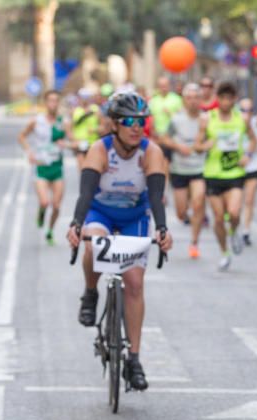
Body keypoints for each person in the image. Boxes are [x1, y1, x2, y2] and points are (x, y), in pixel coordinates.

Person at [66, 92, 173, 391]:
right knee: (93, 244)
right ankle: (90, 293)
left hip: (133, 218)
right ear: (114, 124)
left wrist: (162, 229)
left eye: (141, 121)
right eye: (128, 121)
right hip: (101, 212)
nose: (135, 127)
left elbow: (155, 197)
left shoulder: (151, 152)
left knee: (135, 283)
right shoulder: (100, 150)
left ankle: (134, 359)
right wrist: (76, 224)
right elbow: (85, 195)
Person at [195, 81, 257, 270]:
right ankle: (224, 251)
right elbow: (197, 145)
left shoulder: (242, 119)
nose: (225, 102)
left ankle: (234, 230)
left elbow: (253, 140)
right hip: (213, 174)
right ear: (218, 99)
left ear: (234, 100)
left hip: (235, 173)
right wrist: (204, 146)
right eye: (222, 98)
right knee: (219, 218)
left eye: (229, 99)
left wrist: (247, 155)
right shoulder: (207, 118)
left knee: (235, 212)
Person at [160, 83, 208, 259]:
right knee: (181, 213)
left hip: (199, 169)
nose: (193, 101)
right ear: (184, 100)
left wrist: (204, 146)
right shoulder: (176, 119)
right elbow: (164, 138)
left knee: (198, 202)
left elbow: (214, 139)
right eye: (189, 98)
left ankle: (194, 243)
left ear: (201, 100)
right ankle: (185, 214)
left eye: (196, 97)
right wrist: (178, 146)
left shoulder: (207, 119)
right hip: (179, 170)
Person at [18, 90, 71, 244]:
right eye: (50, 101)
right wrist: (29, 152)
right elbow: (21, 136)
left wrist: (66, 143)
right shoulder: (37, 121)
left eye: (56, 101)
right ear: (45, 103)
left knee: (56, 205)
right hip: (41, 167)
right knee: (44, 202)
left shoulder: (64, 122)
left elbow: (73, 140)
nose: (53, 104)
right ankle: (41, 213)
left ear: (59, 103)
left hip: (57, 168)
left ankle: (50, 231)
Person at [239, 97, 257, 247]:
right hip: (235, 168)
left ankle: (246, 231)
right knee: (235, 202)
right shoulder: (232, 124)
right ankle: (234, 224)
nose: (246, 113)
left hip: (253, 166)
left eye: (249, 110)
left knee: (249, 201)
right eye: (243, 110)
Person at [150, 75, 183, 168]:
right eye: (161, 86)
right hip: (158, 136)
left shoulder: (177, 99)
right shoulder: (153, 100)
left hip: (172, 137)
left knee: (168, 162)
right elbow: (151, 117)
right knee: (159, 161)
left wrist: (170, 113)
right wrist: (153, 131)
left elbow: (182, 117)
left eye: (165, 85)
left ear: (169, 86)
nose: (163, 88)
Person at [71, 89, 102, 170]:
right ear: (79, 98)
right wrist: (73, 141)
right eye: (82, 97)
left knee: (92, 169)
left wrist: (95, 129)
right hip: (80, 144)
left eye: (86, 97)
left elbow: (103, 127)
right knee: (82, 170)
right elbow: (70, 128)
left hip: (93, 143)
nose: (84, 99)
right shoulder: (75, 110)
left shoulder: (95, 109)